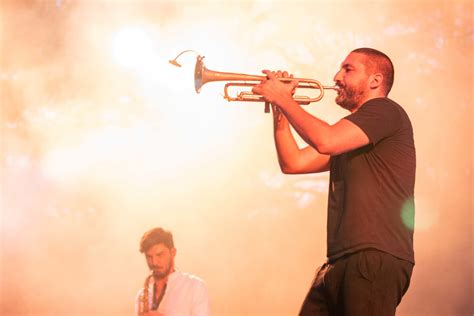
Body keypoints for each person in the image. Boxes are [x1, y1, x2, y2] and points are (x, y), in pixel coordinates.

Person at [252, 48, 416, 315]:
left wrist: (284, 99)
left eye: (348, 69)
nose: (337, 77)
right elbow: (292, 163)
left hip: (372, 256)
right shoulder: (353, 133)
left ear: (375, 80)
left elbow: (325, 140)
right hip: (339, 261)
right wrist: (279, 109)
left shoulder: (385, 111)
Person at [135, 227, 211, 316]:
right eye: (149, 257)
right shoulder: (142, 296)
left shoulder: (195, 286)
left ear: (173, 252)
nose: (154, 262)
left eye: (159, 255)